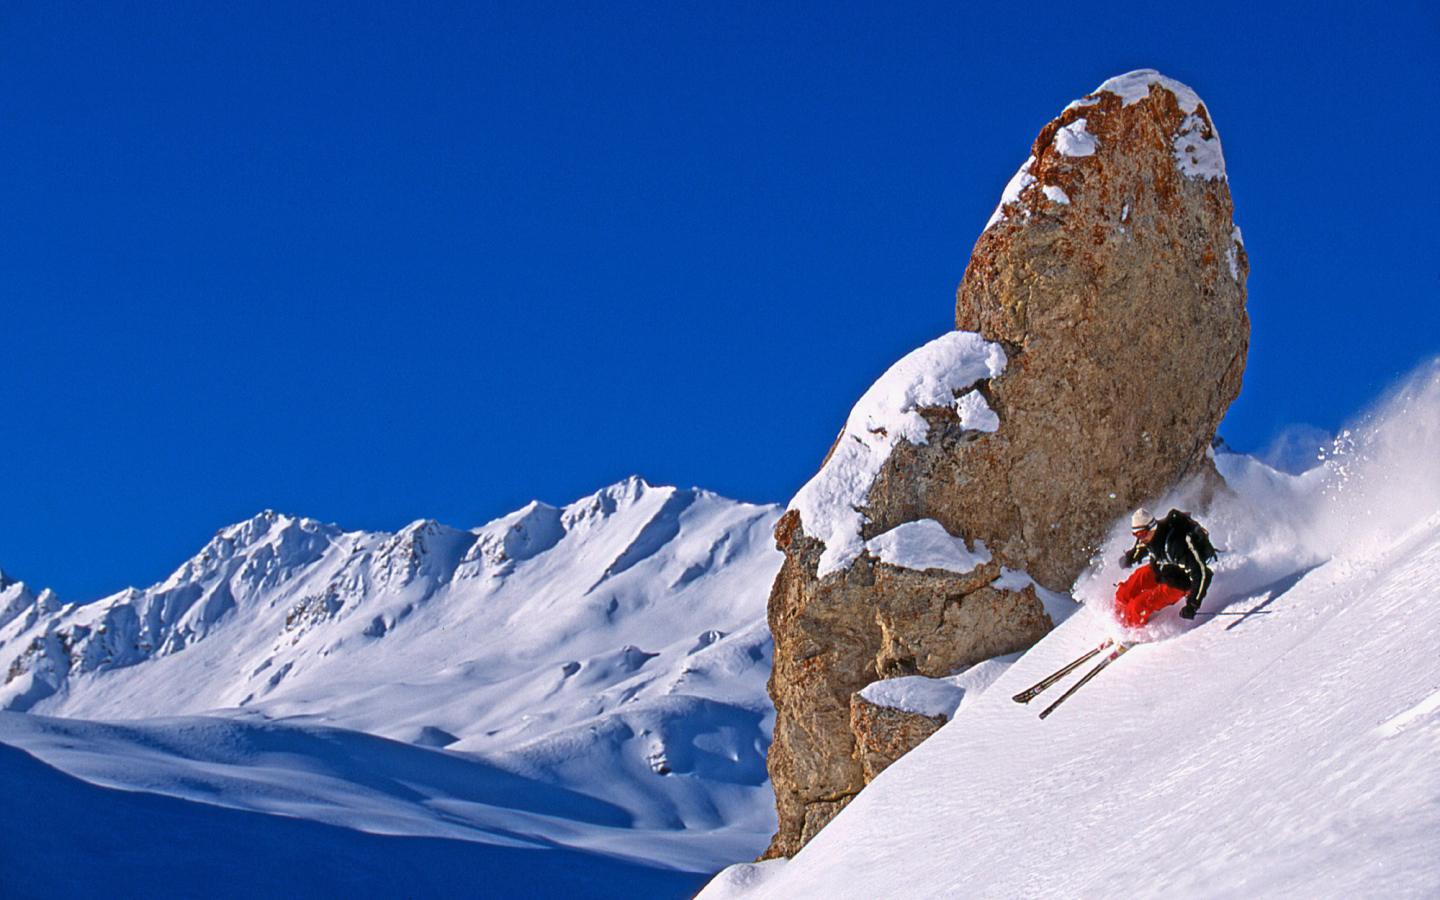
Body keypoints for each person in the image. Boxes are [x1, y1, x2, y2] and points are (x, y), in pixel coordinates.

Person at [1114, 508, 1215, 627]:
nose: (1139, 538)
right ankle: (1118, 622)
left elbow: (1202, 573)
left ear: (1151, 527)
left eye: (1141, 533)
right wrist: (1129, 558)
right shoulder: (1147, 539)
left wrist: (1192, 604)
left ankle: (1133, 631)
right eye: (1135, 534)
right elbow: (1139, 549)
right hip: (1162, 570)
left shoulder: (1176, 544)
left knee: (1138, 605)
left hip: (1180, 582)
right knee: (1124, 592)